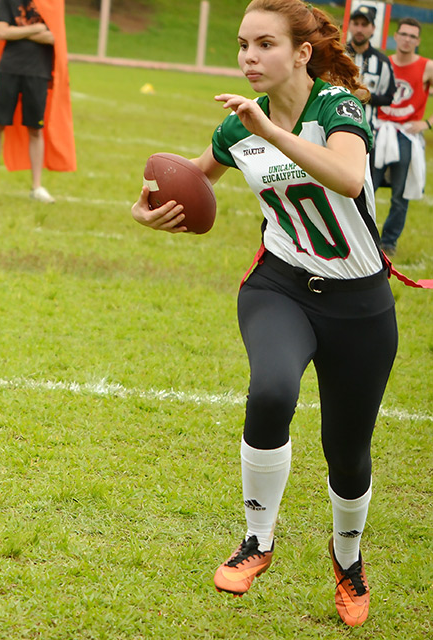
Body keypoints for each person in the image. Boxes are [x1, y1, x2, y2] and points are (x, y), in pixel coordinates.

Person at [132, 0, 397, 627]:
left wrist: (271, 130)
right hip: (280, 284)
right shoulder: (235, 127)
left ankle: (348, 560)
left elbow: (348, 177)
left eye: (265, 45)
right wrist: (147, 210)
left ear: (302, 53)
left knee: (348, 451)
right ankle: (258, 540)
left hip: (360, 300)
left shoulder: (338, 107)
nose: (249, 57)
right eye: (243, 44)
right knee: (272, 390)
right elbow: (189, 180)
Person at [0, 0, 58, 203]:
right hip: (9, 68)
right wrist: (36, 28)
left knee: (35, 129)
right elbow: (2, 32)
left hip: (38, 71)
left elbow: (53, 37)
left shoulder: (51, 3)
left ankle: (36, 186)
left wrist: (19, 31)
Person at [372, 17, 433, 257]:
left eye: (412, 36)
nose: (407, 39)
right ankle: (363, 236)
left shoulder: (427, 66)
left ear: (418, 41)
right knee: (367, 186)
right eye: (403, 34)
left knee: (401, 192)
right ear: (395, 37)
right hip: (378, 130)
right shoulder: (383, 62)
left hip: (406, 134)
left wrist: (426, 123)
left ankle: (388, 243)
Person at [344, 5, 394, 138]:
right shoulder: (337, 56)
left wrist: (367, 97)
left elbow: (389, 97)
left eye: (364, 25)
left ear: (373, 29)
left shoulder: (382, 62)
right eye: (356, 24)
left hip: (368, 132)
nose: (359, 29)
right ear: (349, 26)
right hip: (336, 127)